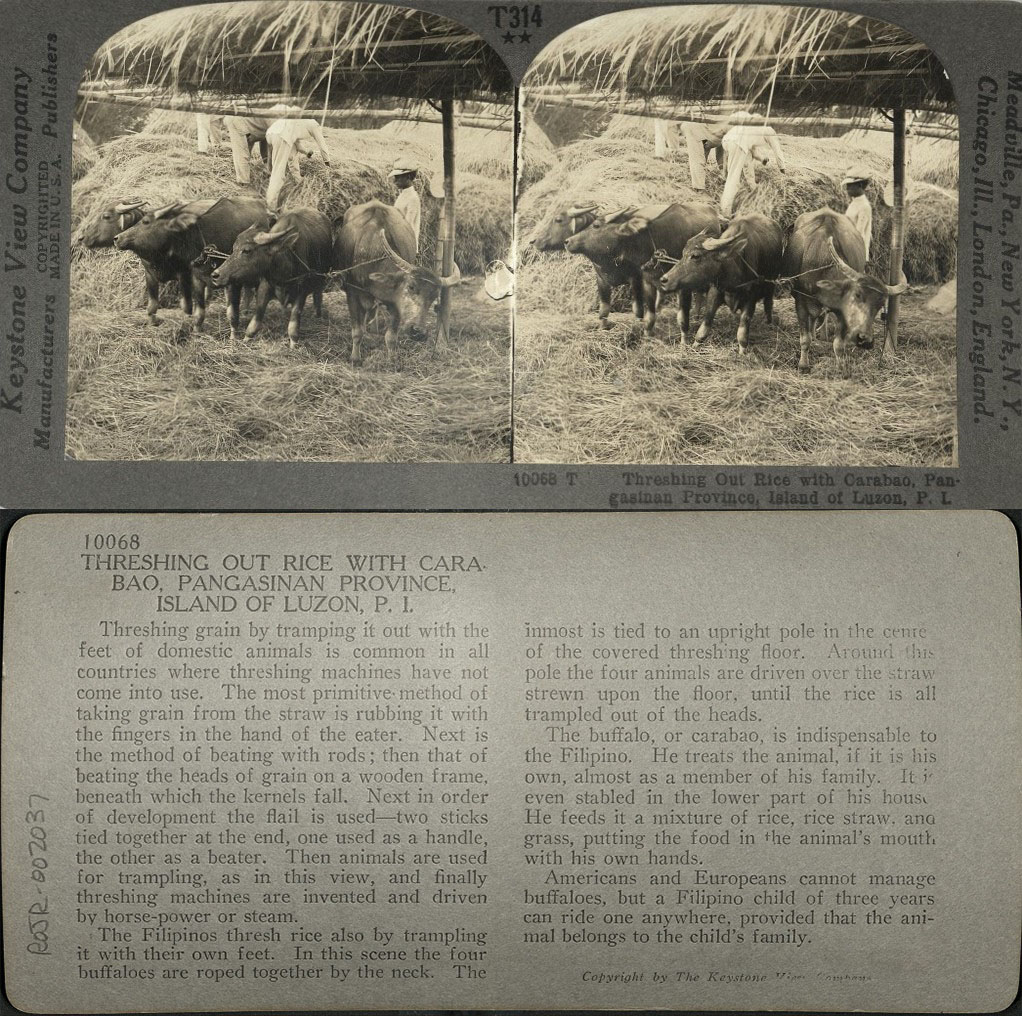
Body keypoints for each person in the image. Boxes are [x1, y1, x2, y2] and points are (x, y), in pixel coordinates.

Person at [719, 115, 786, 216]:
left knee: (736, 171)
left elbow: (750, 154)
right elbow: (777, 150)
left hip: (728, 141)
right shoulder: (770, 131)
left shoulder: (755, 128)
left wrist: (762, 159)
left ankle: (751, 187)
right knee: (733, 179)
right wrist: (782, 168)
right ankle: (725, 211)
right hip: (737, 142)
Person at [264, 118, 332, 211]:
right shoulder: (314, 125)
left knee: (289, 159)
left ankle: (297, 181)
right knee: (278, 172)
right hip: (280, 134)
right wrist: (327, 164)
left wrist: (306, 152)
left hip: (273, 133)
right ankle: (271, 206)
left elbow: (296, 145)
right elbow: (322, 145)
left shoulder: (300, 123)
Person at [842, 165, 874, 259]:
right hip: (848, 246)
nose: (847, 189)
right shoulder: (854, 203)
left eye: (850, 186)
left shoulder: (864, 206)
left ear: (859, 186)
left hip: (856, 251)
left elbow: (858, 233)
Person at [390, 160, 422, 251]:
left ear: (408, 177)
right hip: (398, 241)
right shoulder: (402, 195)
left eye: (398, 178)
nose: (395, 181)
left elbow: (408, 225)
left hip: (406, 245)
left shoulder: (413, 198)